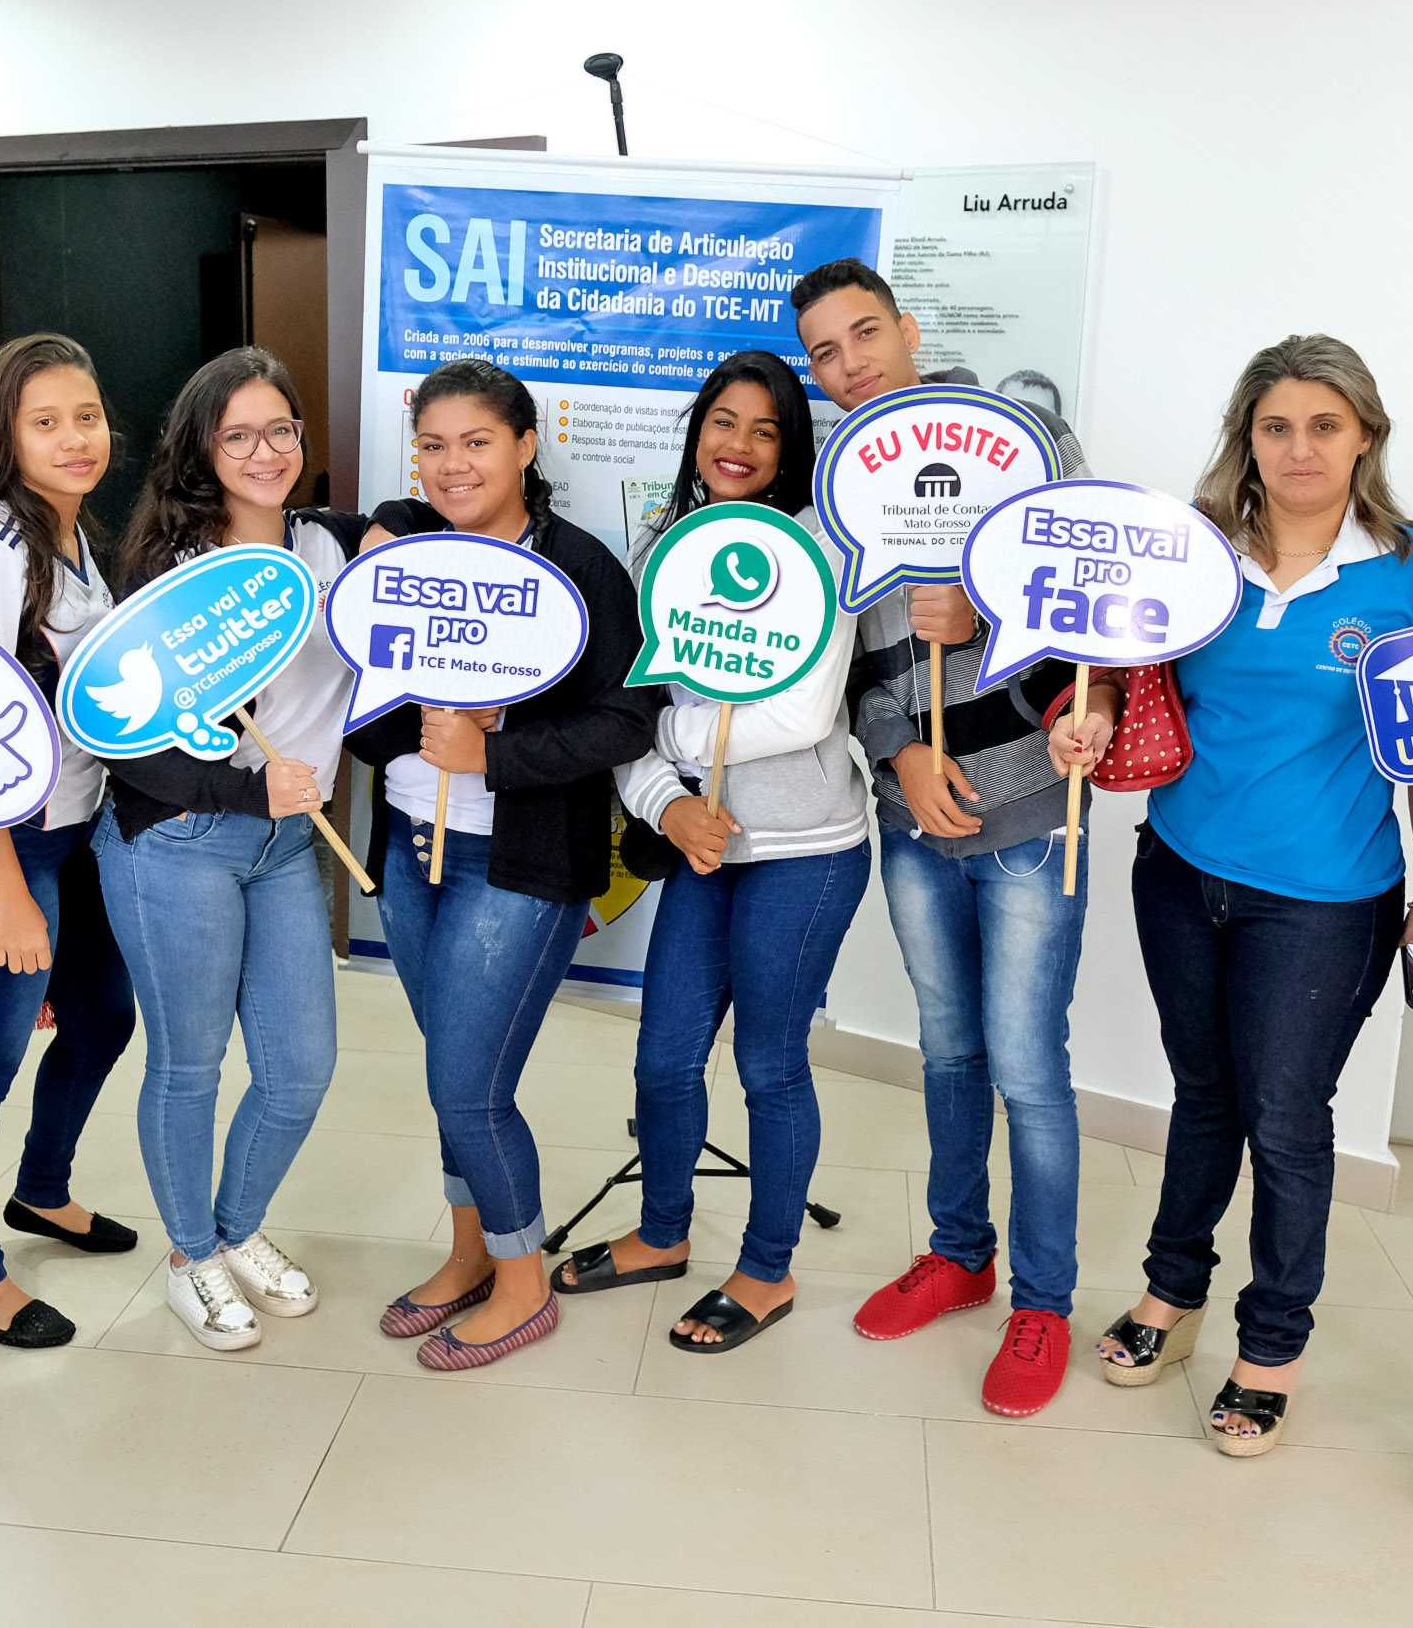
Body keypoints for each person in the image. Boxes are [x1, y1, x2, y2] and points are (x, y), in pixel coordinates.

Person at [1093, 334, 1413, 1456]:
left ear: (1364, 437)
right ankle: (1172, 1291)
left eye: (1323, 425)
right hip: (1178, 871)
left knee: (1288, 1120)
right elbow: (1124, 675)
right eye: (1275, 426)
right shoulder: (1192, 549)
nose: (1298, 447)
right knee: (1202, 1094)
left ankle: (1271, 1346)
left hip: (1324, 900)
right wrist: (1091, 718)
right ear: (1245, 438)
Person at [791, 258, 1103, 1418]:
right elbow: (842, 661)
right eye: (824, 352)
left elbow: (1101, 597)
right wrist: (898, 753)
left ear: (908, 327)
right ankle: (958, 1251)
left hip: (1028, 809)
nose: (849, 364)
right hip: (912, 815)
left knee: (1026, 1061)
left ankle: (1043, 1300)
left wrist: (988, 605)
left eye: (863, 333)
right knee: (949, 1049)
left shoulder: (1022, 441)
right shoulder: (838, 479)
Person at [553, 351, 869, 1353]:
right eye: (722, 422)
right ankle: (662, 1234)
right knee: (662, 1057)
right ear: (697, 433)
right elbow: (620, 711)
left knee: (769, 1064)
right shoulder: (660, 544)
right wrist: (667, 804)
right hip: (699, 846)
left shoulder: (821, 547)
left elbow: (803, 712)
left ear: (789, 449)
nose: (739, 444)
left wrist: (673, 747)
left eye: (764, 429)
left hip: (804, 850)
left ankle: (767, 1269)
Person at [349, 357, 656, 1370]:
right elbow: (370, 691)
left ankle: (524, 1288)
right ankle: (470, 1254)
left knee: (466, 1083)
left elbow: (625, 719)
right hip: (412, 849)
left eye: (476, 442)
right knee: (452, 1070)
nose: (452, 465)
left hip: (517, 862)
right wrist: (391, 524)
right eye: (432, 446)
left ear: (525, 445)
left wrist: (496, 748)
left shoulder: (581, 568)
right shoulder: (406, 546)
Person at [93, 347, 368, 1353]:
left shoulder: (331, 545)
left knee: (300, 1069)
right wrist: (248, 788)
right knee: (191, 1064)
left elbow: (403, 544)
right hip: (178, 840)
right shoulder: (169, 570)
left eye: (279, 429)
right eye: (237, 435)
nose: (264, 451)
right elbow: (121, 742)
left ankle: (234, 1227)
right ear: (201, 450)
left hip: (288, 844)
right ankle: (189, 1256)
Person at [0, 333, 139, 1351]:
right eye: (45, 422)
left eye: (86, 416)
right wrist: (4, 887)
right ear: (6, 437)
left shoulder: (72, 536)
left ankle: (42, 1188)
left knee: (102, 1021)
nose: (74, 437)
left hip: (73, 834)